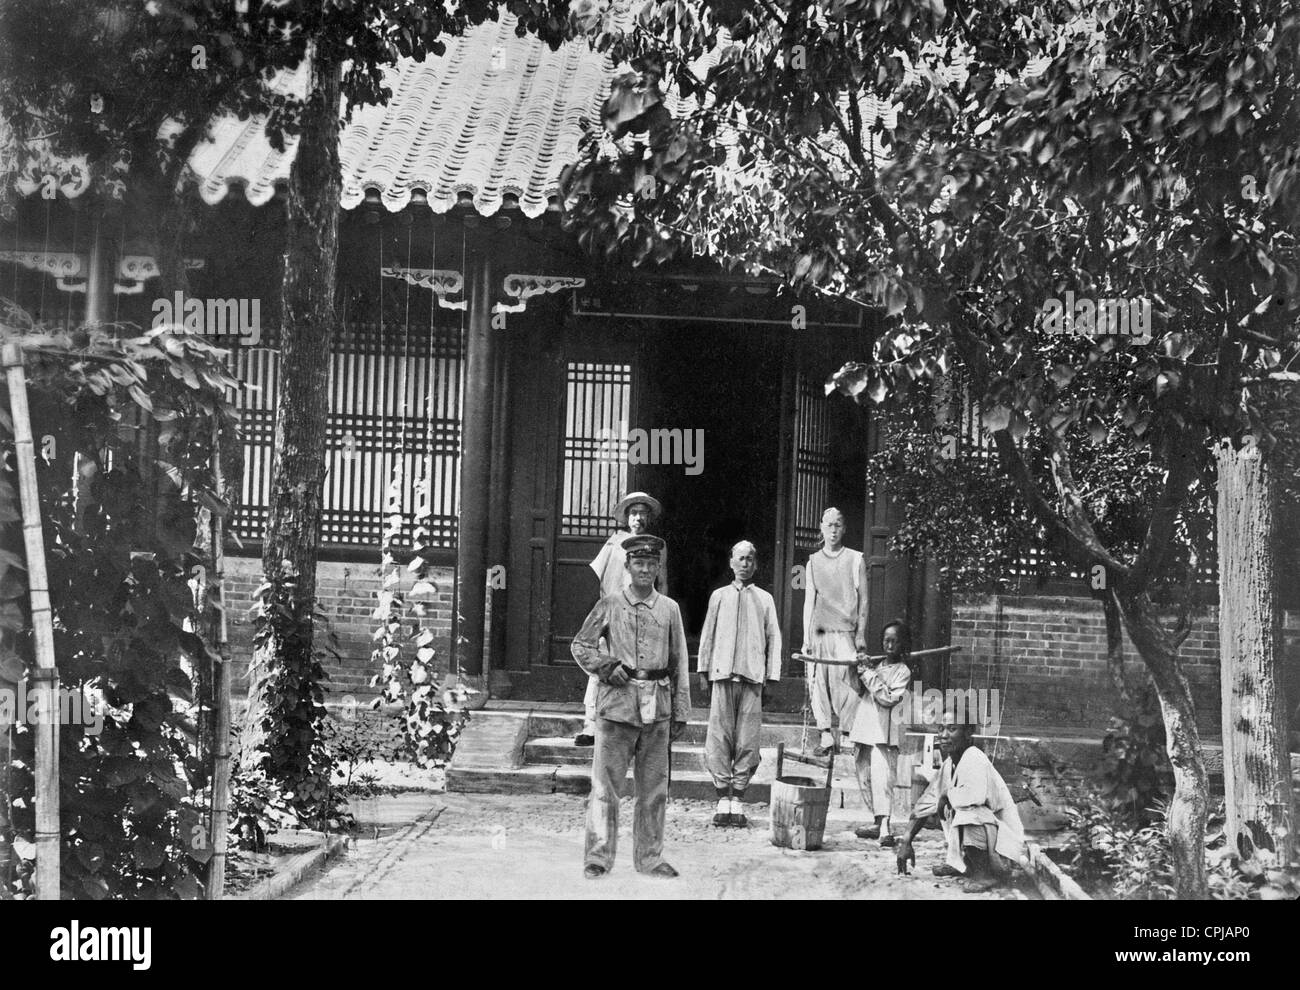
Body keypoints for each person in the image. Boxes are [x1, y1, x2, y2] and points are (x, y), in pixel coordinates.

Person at [571, 534, 690, 879]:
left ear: (657, 568)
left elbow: (679, 661)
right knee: (606, 787)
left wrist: (681, 710)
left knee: (654, 790)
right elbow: (581, 646)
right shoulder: (610, 604)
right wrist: (607, 667)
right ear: (627, 566)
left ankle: (650, 858)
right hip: (617, 707)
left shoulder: (669, 609)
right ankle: (598, 857)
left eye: (651, 564)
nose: (645, 570)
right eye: (639, 563)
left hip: (657, 709)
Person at [697, 541, 782, 828]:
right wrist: (703, 670)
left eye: (750, 560)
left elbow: (774, 639)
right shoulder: (718, 596)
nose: (745, 564)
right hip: (722, 676)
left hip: (752, 678)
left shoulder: (765, 599)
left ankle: (739, 799)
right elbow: (708, 634)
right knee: (719, 738)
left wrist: (771, 676)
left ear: (755, 565)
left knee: (747, 740)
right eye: (740, 559)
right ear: (731, 562)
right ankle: (722, 796)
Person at [895, 710, 1026, 893]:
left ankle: (984, 874)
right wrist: (907, 840)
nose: (944, 735)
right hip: (989, 839)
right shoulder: (950, 764)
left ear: (967, 733)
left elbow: (973, 798)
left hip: (1005, 852)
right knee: (946, 807)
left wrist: (946, 795)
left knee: (967, 811)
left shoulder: (975, 757)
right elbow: (926, 802)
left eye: (952, 729)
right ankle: (964, 864)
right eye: (941, 729)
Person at [577, 491, 669, 747]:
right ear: (627, 517)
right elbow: (601, 576)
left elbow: (662, 583)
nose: (638, 518)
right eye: (633, 513)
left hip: (644, 611)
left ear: (649, 517)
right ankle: (591, 724)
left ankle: (637, 723)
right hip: (614, 611)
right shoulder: (614, 542)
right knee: (603, 664)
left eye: (643, 513)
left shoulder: (657, 545)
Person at [801, 507, 868, 756]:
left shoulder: (855, 559)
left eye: (837, 525)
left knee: (848, 680)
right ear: (821, 527)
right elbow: (809, 601)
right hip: (820, 631)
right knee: (819, 680)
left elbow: (864, 601)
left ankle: (848, 733)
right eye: (828, 525)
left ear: (844, 528)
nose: (833, 530)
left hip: (845, 631)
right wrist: (806, 638)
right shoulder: (813, 561)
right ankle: (826, 734)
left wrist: (860, 633)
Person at [849, 619, 912, 847]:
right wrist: (856, 668)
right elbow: (858, 689)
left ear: (903, 644)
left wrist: (867, 673)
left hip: (885, 731)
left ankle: (885, 826)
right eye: (886, 640)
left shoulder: (903, 672)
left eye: (895, 641)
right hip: (866, 726)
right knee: (865, 775)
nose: (890, 645)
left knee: (883, 777)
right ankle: (877, 821)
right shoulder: (876, 666)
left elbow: (887, 698)